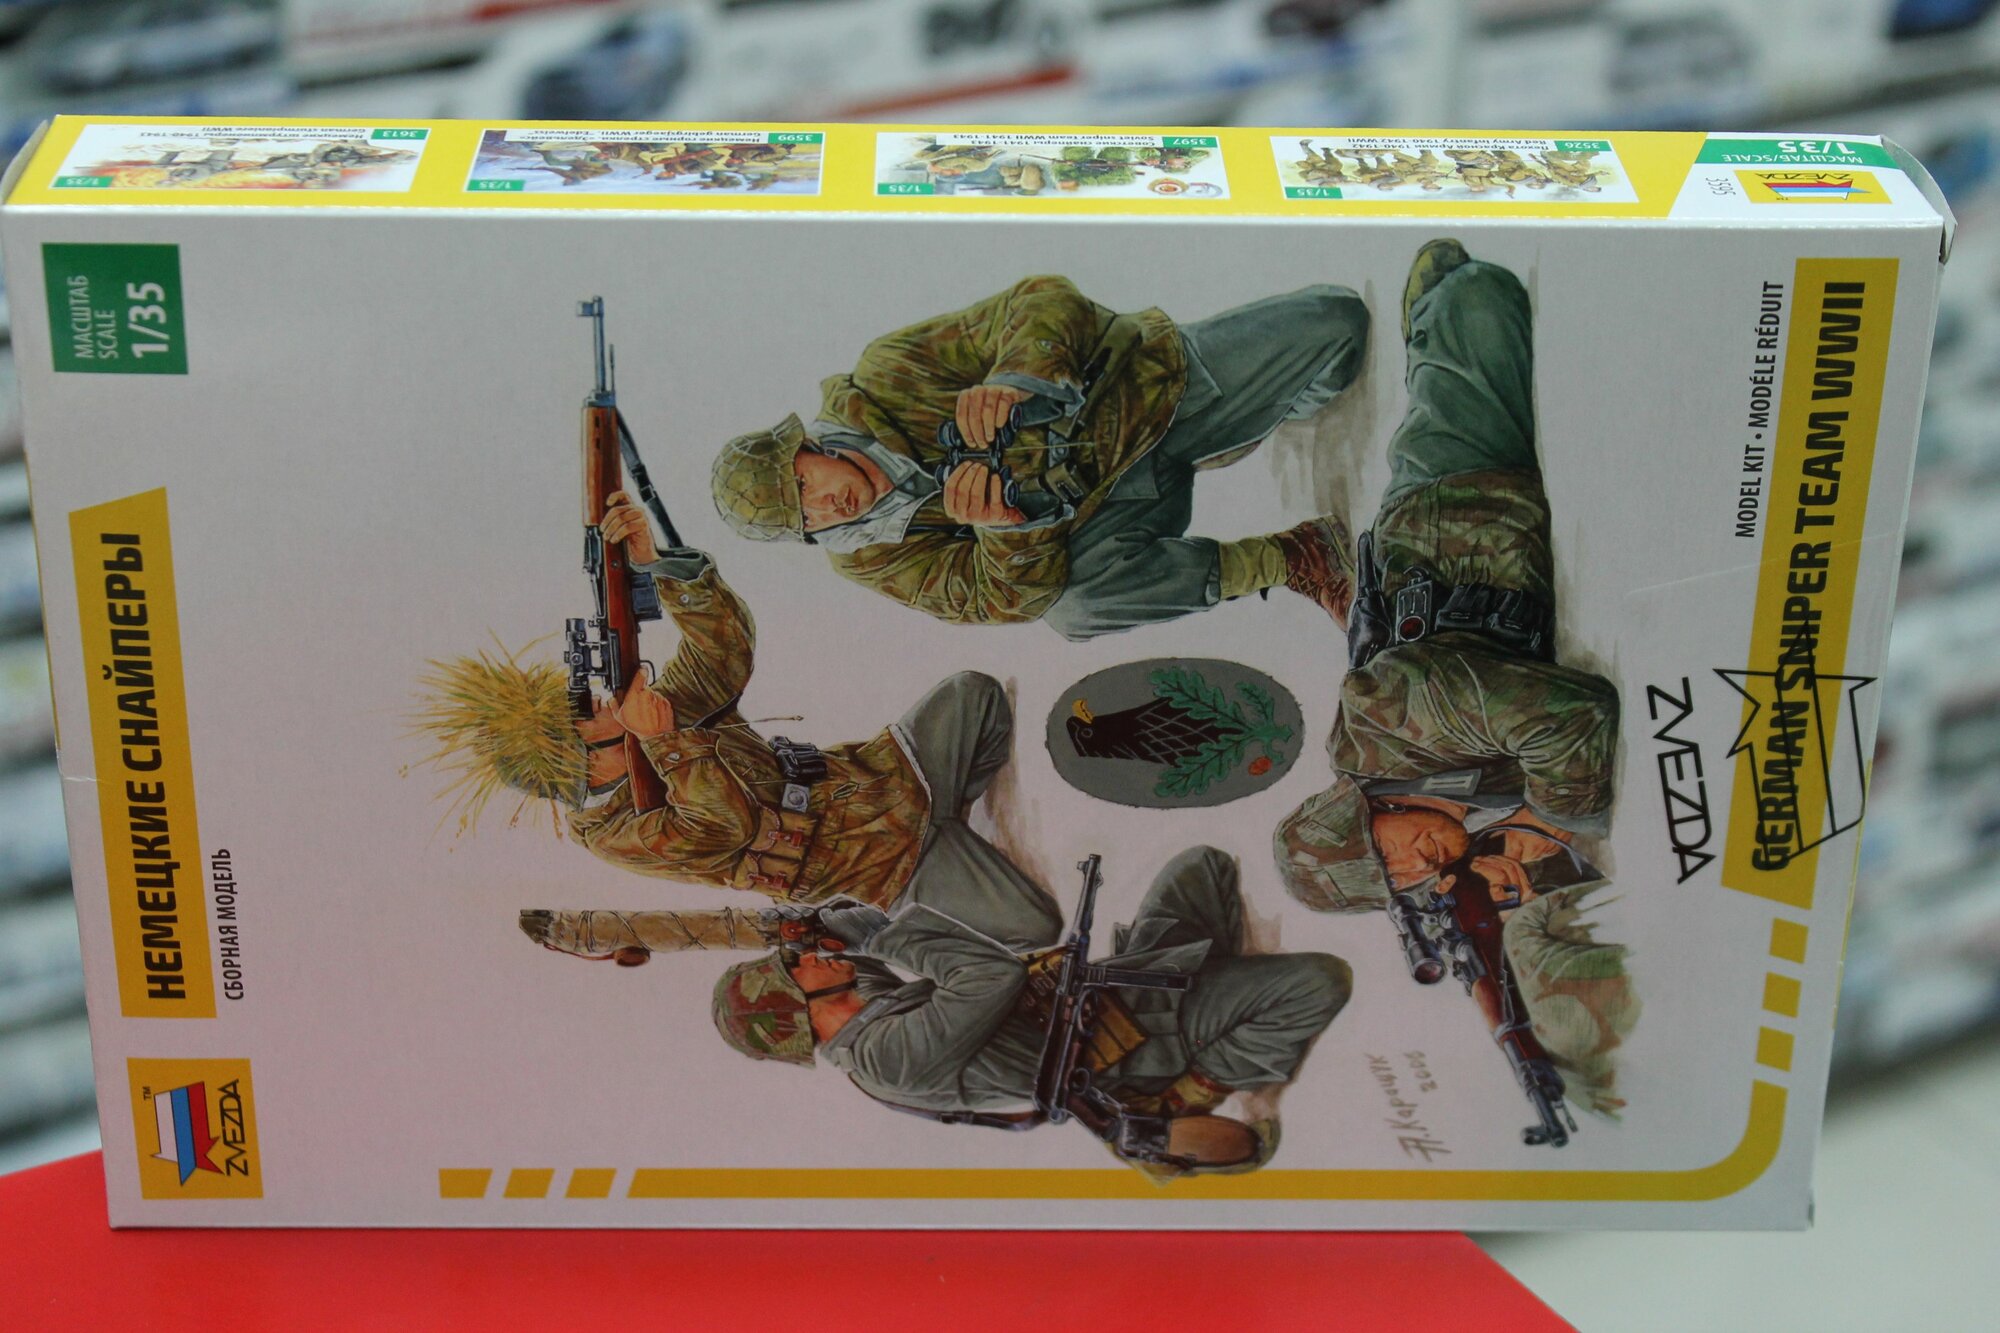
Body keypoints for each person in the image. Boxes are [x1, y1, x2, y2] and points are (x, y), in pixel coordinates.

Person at [1270, 240, 1633, 1114]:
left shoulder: (1385, 722)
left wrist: (1551, 816)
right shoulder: (1444, 808)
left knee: (1482, 295)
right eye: (1405, 887)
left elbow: (1572, 718)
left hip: (1464, 502)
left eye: (1391, 857)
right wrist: (1527, 868)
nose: (1423, 868)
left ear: (1366, 808)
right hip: (1512, 558)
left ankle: (1429, 317)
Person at [414, 492, 1059, 949]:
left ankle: (959, 822)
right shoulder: (613, 832)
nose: (602, 703)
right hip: (882, 865)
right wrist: (667, 743)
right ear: (581, 761)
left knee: (973, 692)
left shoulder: (646, 718)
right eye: (584, 717)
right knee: (1034, 926)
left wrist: (660, 566)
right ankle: (920, 901)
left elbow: (723, 653)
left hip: (884, 777)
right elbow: (726, 827)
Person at [708, 274, 1363, 640]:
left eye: (805, 484)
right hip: (1111, 513)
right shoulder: (871, 556)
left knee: (1340, 327)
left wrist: (1016, 379)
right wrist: (1005, 531)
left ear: (810, 447)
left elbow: (1042, 300)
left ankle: (1250, 417)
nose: (828, 505)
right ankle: (1296, 556)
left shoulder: (888, 375)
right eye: (808, 519)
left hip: (1145, 395)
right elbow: (998, 601)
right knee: (1076, 611)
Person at [699, 845, 1351, 1176]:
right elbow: (991, 975)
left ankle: (1220, 994)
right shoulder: (886, 1058)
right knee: (1316, 981)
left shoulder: (862, 1011)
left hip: (1102, 1000)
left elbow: (858, 945)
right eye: (797, 968)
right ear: (801, 1008)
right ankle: (1198, 1082)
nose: (809, 958)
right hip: (1127, 1049)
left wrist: (828, 922)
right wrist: (886, 935)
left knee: (1202, 866)